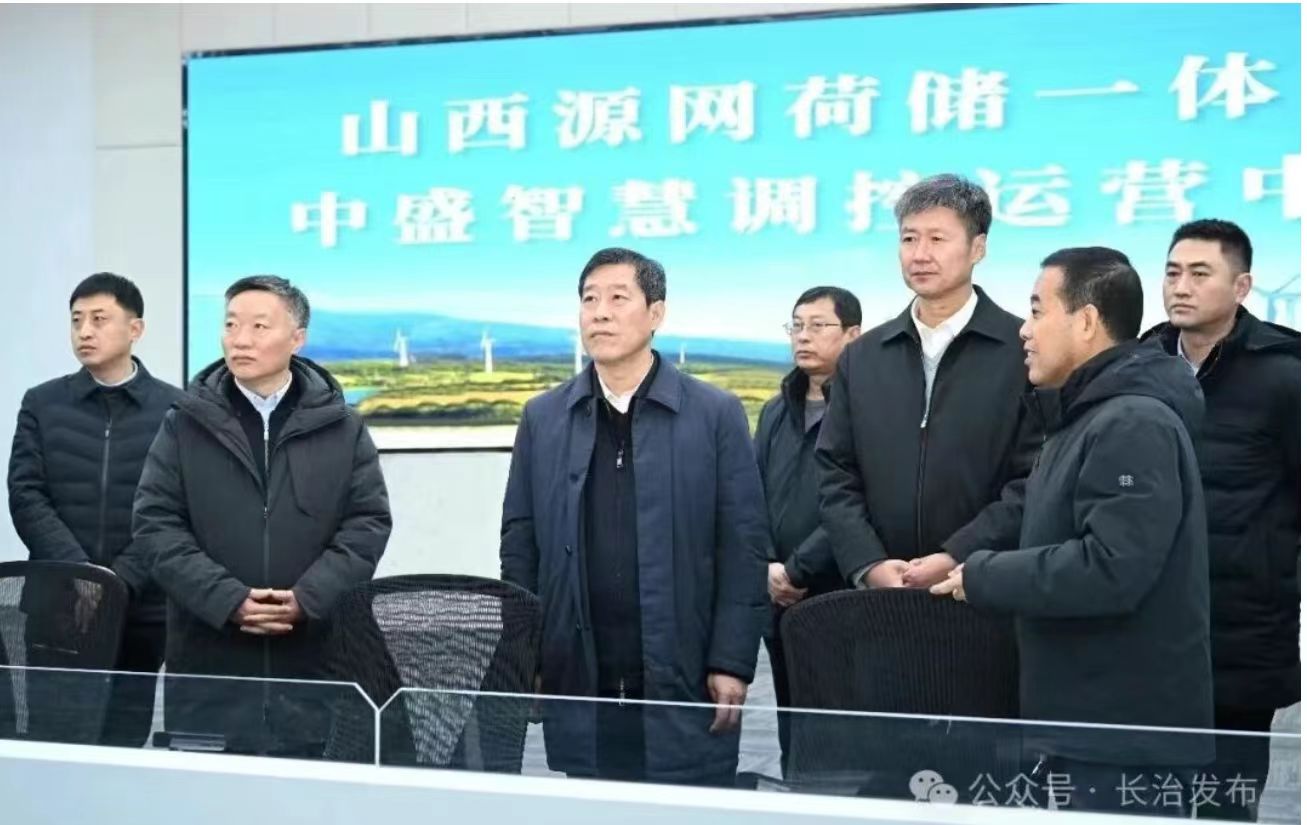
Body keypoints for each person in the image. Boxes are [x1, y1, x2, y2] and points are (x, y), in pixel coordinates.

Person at [932, 247, 1213, 816]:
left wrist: (982, 575)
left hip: (1119, 743)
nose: (1024, 330)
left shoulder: (1132, 422)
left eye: (1037, 311)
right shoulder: (1087, 416)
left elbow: (1112, 568)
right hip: (1087, 731)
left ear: (1086, 322)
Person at [500, 247, 769, 786]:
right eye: (589, 299)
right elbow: (520, 545)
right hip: (580, 670)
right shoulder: (544, 417)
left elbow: (744, 548)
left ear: (656, 313)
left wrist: (732, 661)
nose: (600, 313)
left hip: (685, 670)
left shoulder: (713, 413)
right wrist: (529, 656)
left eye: (618, 298)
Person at [133, 275, 391, 756]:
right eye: (231, 325)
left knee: (310, 789)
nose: (240, 339)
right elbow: (155, 524)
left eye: (258, 326)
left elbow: (366, 524)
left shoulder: (343, 427)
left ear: (297, 338)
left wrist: (308, 598)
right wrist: (227, 599)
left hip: (314, 667)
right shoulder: (185, 423)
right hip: (210, 668)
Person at [1141, 219, 1299, 821]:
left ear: (1242, 286)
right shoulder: (1141, 363)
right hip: (1149, 631)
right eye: (1172, 272)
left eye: (1199, 273)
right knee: (1145, 802)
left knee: (1226, 803)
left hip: (1241, 633)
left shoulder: (1285, 373)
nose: (1180, 286)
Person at [817, 173, 1035, 591]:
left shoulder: (1023, 351)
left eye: (937, 239)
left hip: (983, 588)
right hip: (881, 592)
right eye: (909, 239)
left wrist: (960, 553)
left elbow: (1035, 478)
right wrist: (868, 562)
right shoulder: (863, 357)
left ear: (978, 248)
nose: (920, 254)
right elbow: (835, 471)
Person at [7, 272, 183, 746]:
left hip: (141, 607)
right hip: (58, 604)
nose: (84, 331)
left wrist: (116, 583)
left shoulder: (175, 409)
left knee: (123, 741)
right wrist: (81, 576)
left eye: (99, 319)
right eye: (76, 320)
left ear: (135, 329)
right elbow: (26, 494)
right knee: (53, 739)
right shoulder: (43, 403)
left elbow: (176, 510)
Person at [755, 285, 860, 770]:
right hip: (776, 598)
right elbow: (750, 495)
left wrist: (798, 569)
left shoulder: (867, 410)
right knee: (791, 729)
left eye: (818, 326)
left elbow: (860, 500)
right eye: (796, 326)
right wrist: (768, 567)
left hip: (838, 596)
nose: (803, 336)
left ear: (853, 336)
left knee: (841, 737)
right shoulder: (776, 411)